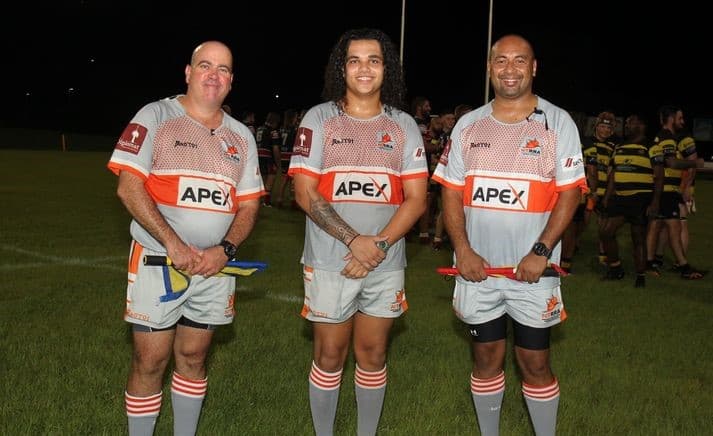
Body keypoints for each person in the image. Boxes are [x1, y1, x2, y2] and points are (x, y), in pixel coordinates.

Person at [107, 40, 264, 435]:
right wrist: (172, 244)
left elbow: (247, 206)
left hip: (215, 268)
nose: (214, 75)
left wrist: (225, 250)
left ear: (231, 81)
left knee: (194, 356)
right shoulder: (157, 115)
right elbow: (129, 187)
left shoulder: (241, 136)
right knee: (150, 361)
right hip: (159, 261)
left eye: (223, 69)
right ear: (188, 72)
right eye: (205, 65)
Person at [433, 34, 586, 436]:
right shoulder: (469, 124)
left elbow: (570, 193)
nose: (510, 69)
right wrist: (462, 250)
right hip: (476, 271)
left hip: (532, 273)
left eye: (520, 61)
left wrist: (541, 251)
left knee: (534, 363)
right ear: (489, 68)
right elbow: (451, 190)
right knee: (485, 359)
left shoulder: (557, 122)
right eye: (501, 60)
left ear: (534, 68)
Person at [288, 28, 428, 436]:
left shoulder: (404, 125)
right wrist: (355, 241)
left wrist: (378, 245)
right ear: (341, 68)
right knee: (329, 354)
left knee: (373, 353)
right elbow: (304, 192)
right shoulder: (319, 118)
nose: (364, 68)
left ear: (387, 69)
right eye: (354, 60)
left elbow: (416, 199)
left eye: (374, 60)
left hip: (384, 262)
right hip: (331, 260)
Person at [599, 114, 662, 287]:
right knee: (605, 231)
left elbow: (659, 176)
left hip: (641, 199)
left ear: (642, 126)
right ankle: (616, 268)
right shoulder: (619, 146)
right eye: (626, 123)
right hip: (620, 198)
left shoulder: (652, 147)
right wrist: (607, 196)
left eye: (631, 122)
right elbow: (614, 173)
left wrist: (655, 202)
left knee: (638, 237)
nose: (627, 126)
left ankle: (640, 275)